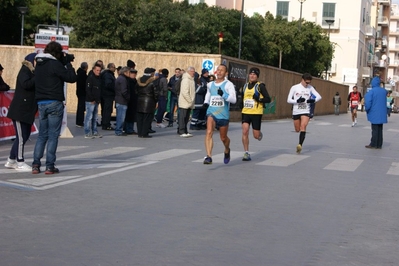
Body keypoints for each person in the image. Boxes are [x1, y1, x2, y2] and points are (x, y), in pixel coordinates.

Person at [32, 41, 77, 174]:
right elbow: (71, 78)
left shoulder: (39, 64)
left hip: (41, 103)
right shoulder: (55, 64)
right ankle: (49, 166)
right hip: (54, 102)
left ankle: (35, 164)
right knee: (53, 136)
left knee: (42, 135)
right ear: (57, 53)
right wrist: (68, 63)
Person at [4, 53, 37, 171]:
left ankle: (11, 160)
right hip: (20, 111)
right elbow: (26, 84)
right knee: (21, 137)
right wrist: (37, 76)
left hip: (27, 111)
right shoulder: (25, 71)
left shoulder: (32, 73)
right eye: (36, 61)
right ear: (31, 61)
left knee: (25, 136)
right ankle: (20, 162)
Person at [203, 64, 236, 164]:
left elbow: (234, 100)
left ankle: (227, 150)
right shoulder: (210, 84)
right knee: (209, 132)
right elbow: (209, 93)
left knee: (223, 138)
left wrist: (224, 95)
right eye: (218, 70)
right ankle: (209, 156)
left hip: (223, 115)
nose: (219, 72)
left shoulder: (228, 84)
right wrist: (206, 102)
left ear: (226, 73)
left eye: (222, 70)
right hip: (211, 112)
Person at [240, 67, 271, 161]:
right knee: (245, 131)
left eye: (254, 74)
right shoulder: (245, 86)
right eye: (251, 74)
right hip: (245, 112)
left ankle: (259, 134)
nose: (252, 76)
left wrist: (259, 99)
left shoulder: (260, 86)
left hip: (256, 113)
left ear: (257, 76)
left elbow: (268, 99)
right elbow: (242, 98)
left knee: (256, 136)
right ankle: (246, 153)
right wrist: (240, 105)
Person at [287, 73, 322, 154]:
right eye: (306, 82)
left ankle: (300, 145)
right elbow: (288, 100)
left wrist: (313, 100)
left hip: (306, 110)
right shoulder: (294, 87)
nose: (307, 84)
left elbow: (319, 97)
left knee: (303, 126)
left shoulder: (310, 88)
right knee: (297, 129)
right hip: (296, 110)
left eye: (309, 82)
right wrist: (297, 101)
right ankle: (300, 138)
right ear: (302, 80)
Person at [365, 76, 387, 149]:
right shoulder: (383, 91)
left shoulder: (371, 92)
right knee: (380, 129)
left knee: (374, 129)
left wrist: (367, 110)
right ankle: (379, 144)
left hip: (374, 113)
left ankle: (373, 143)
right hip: (382, 114)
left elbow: (368, 103)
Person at [136, 67, 158, 138]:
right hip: (149, 102)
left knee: (140, 118)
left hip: (139, 101)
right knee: (147, 118)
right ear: (151, 74)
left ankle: (139, 133)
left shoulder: (138, 81)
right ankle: (144, 133)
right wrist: (156, 100)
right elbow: (155, 93)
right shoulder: (152, 81)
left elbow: (135, 91)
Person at [84, 64, 102, 139]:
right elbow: (88, 90)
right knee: (89, 117)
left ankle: (94, 132)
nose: (98, 72)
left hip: (96, 101)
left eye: (99, 70)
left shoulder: (98, 79)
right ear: (94, 70)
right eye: (97, 70)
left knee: (95, 117)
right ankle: (87, 133)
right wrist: (92, 99)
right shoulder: (90, 78)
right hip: (90, 101)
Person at [178, 66, 196, 137]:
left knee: (187, 117)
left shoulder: (191, 79)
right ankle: (181, 131)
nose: (193, 73)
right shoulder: (186, 79)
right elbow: (185, 92)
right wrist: (190, 100)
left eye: (194, 71)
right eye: (192, 71)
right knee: (183, 117)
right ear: (188, 72)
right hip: (185, 101)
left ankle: (185, 130)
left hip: (189, 102)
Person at [114, 67, 131, 136]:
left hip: (119, 100)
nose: (130, 74)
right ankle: (118, 130)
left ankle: (119, 130)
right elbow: (124, 91)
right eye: (129, 72)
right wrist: (128, 98)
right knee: (121, 117)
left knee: (120, 116)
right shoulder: (123, 80)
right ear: (125, 72)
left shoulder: (120, 78)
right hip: (122, 101)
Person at [100, 63, 116, 130]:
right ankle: (106, 124)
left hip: (106, 94)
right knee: (107, 110)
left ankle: (105, 123)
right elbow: (108, 84)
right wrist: (114, 87)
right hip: (108, 95)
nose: (115, 69)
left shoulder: (107, 74)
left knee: (106, 110)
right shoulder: (108, 75)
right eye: (114, 67)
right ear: (111, 67)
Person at [124, 68, 138, 134]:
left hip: (134, 100)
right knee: (128, 116)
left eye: (135, 74)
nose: (134, 75)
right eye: (132, 74)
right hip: (129, 100)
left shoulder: (135, 81)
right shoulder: (128, 81)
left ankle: (130, 129)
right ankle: (128, 129)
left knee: (132, 116)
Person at [75, 62, 88, 127]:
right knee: (81, 107)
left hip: (79, 92)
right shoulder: (83, 75)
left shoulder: (79, 73)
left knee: (80, 107)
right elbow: (84, 84)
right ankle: (80, 122)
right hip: (82, 92)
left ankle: (79, 121)